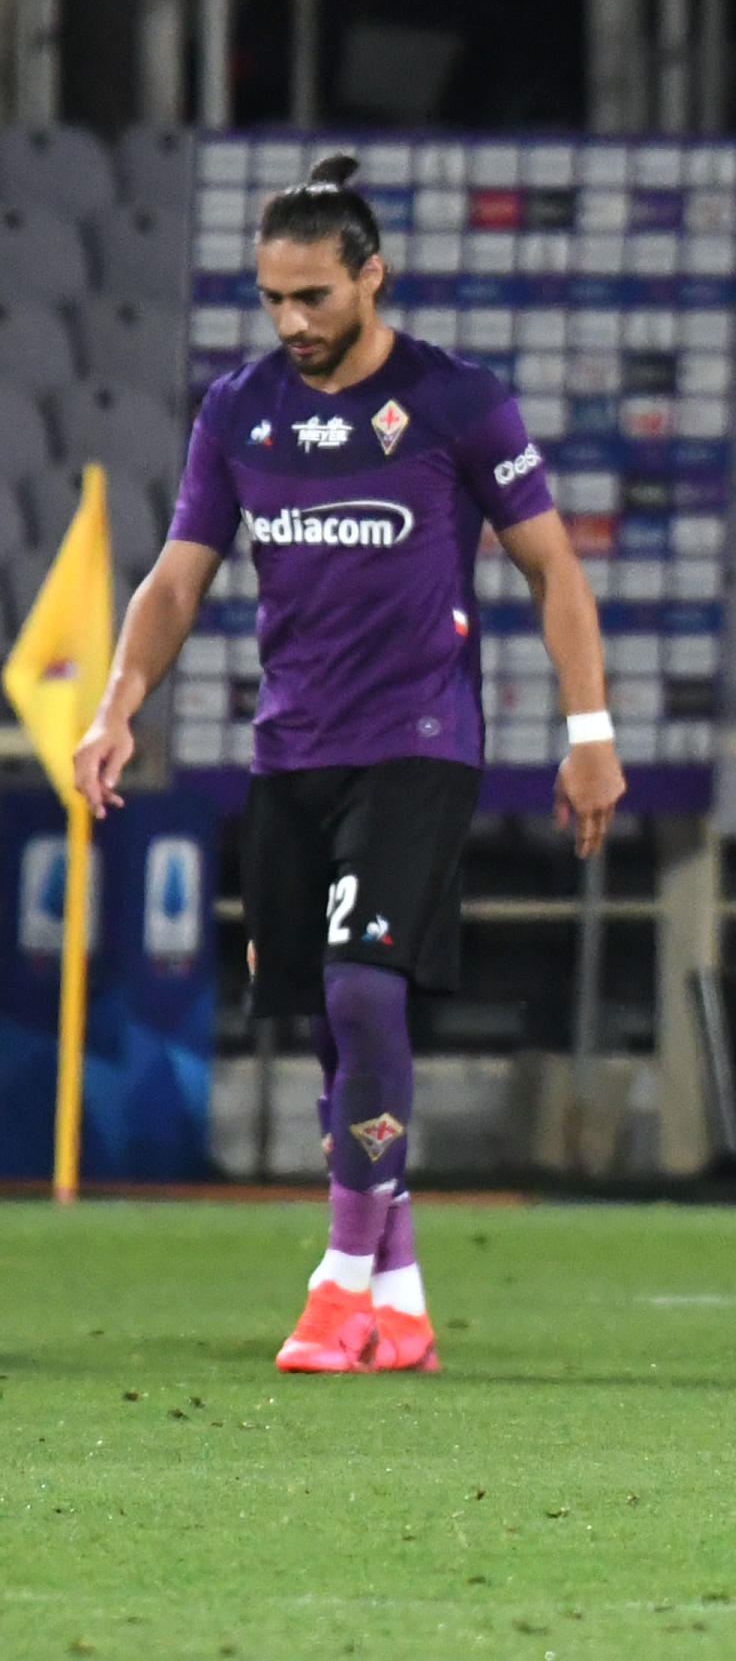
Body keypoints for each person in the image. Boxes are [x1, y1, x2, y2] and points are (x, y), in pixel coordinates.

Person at [73, 155, 624, 1377]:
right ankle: (405, 1303)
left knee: (368, 996)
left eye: (314, 297)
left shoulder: (456, 403)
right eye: (274, 299)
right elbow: (177, 577)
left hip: (419, 745)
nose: (293, 323)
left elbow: (555, 571)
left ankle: (335, 1284)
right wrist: (118, 707)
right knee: (331, 1028)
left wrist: (589, 737)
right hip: (292, 753)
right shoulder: (239, 411)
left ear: (373, 278)